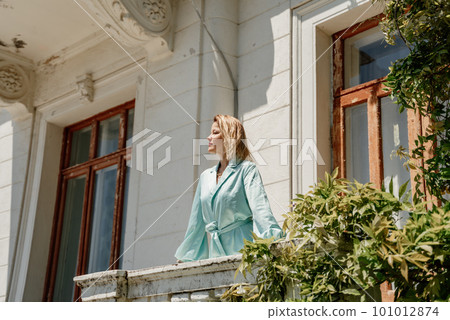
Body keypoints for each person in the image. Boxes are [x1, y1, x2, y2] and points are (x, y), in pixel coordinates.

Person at [175, 114, 283, 262]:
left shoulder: (246, 169)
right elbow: (196, 223)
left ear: (229, 136)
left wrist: (273, 240)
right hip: (216, 254)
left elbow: (260, 209)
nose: (208, 137)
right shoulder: (205, 177)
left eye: (215, 132)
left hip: (244, 249)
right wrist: (187, 255)